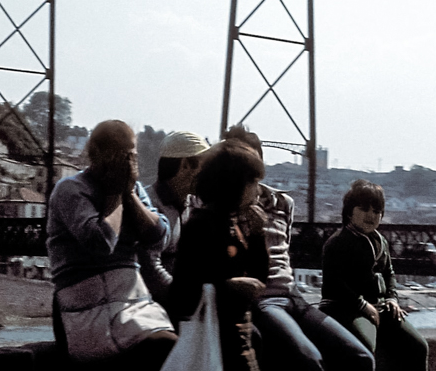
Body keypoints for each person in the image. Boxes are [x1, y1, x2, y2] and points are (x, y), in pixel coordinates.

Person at [222, 126, 374, 371]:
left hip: (293, 296)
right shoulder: (220, 209)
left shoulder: (283, 203)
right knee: (309, 360)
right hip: (264, 301)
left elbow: (285, 252)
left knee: (361, 358)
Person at [47, 119, 177, 369]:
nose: (127, 163)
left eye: (132, 155)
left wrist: (129, 194)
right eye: (120, 155)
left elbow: (160, 237)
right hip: (89, 304)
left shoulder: (134, 189)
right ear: (96, 155)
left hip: (131, 300)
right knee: (163, 345)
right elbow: (100, 243)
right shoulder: (71, 189)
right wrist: (115, 194)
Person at [169, 139, 270, 371]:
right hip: (217, 341)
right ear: (233, 184)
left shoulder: (232, 224)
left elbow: (258, 278)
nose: (258, 189)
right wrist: (227, 287)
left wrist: (257, 236)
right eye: (252, 181)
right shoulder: (201, 226)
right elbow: (182, 296)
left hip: (238, 338)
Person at [321, 180, 427, 371]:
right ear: (349, 212)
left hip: (381, 307)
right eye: (364, 209)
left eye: (376, 211)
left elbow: (389, 274)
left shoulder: (381, 242)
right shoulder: (338, 242)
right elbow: (334, 283)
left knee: (419, 346)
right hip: (348, 308)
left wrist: (392, 299)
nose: (371, 215)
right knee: (366, 348)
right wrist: (364, 306)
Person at [139, 130, 211, 307]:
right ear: (186, 165)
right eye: (204, 166)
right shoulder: (150, 207)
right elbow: (150, 270)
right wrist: (190, 299)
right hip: (161, 305)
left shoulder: (192, 203)